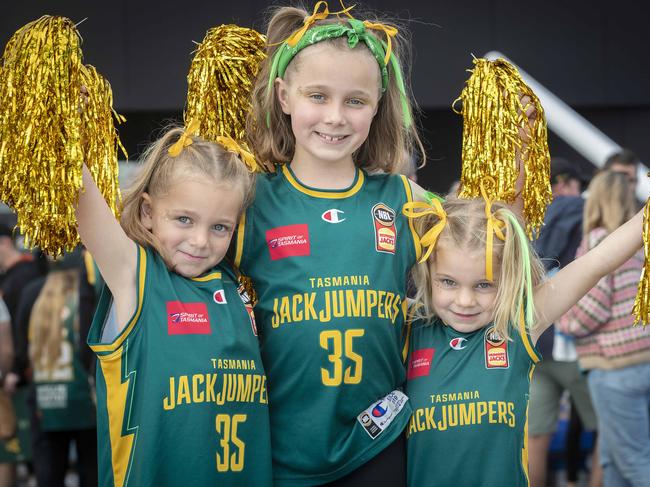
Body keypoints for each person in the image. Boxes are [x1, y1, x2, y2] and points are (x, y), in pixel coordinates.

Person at [238, 3, 426, 484]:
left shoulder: (402, 199)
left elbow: (486, 244)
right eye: (317, 96)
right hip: (280, 449)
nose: (335, 117)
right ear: (284, 96)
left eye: (355, 101)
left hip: (378, 444)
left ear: (379, 104)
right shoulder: (250, 201)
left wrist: (519, 153)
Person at [403, 189, 643, 487]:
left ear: (508, 281)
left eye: (484, 285)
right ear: (428, 274)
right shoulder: (408, 328)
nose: (464, 301)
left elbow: (598, 261)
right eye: (448, 282)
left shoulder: (515, 328)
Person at [77, 126, 273, 486]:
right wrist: (65, 117)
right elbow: (73, 182)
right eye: (184, 219)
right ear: (149, 212)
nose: (200, 241)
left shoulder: (238, 286)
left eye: (220, 227)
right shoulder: (135, 276)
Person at [557, 170, 650, 487]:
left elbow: (592, 307)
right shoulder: (640, 241)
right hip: (642, 359)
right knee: (613, 460)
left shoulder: (599, 240)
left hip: (613, 368)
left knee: (636, 464)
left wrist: (561, 318)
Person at [529, 158, 599, 487]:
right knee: (604, 434)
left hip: (535, 339)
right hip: (575, 345)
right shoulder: (580, 209)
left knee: (535, 439)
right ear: (564, 184)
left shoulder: (524, 213)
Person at [23, 251, 97, 487]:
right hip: (83, 392)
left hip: (45, 395)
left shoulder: (32, 292)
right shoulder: (85, 292)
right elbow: (91, 345)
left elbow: (21, 344)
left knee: (48, 473)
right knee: (91, 469)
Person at [0, 223, 45, 486]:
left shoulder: (27, 274)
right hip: (15, 376)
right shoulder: (9, 277)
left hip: (27, 375)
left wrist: (15, 369)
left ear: (5, 242)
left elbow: (26, 329)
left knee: (29, 446)